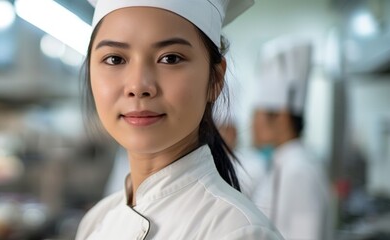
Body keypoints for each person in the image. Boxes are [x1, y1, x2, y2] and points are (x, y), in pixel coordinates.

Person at [74, 0, 283, 239]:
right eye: (115, 59)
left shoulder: (239, 232)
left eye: (170, 58)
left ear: (215, 79)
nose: (138, 86)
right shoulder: (96, 223)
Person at [251, 37, 334, 240]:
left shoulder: (299, 171)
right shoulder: (283, 164)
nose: (252, 125)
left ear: (281, 117)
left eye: (257, 115)